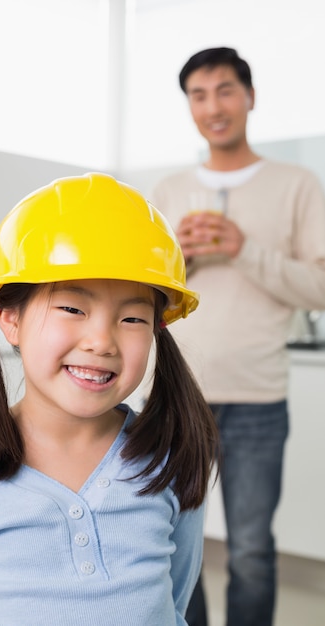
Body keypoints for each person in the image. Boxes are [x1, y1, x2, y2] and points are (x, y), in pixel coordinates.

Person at [0, 172, 218, 626]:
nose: (101, 341)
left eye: (133, 318)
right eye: (73, 308)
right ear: (9, 318)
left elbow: (174, 604)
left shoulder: (169, 459)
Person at [151, 47, 325, 626]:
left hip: (257, 397)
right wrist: (184, 260)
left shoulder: (297, 184)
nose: (212, 107)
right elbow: (148, 296)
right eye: (198, 96)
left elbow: (320, 288)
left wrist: (242, 249)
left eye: (225, 90)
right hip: (180, 395)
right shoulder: (170, 190)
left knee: (250, 551)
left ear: (249, 96)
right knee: (178, 548)